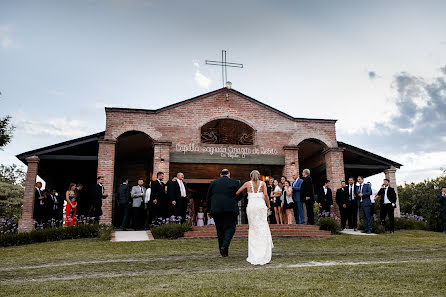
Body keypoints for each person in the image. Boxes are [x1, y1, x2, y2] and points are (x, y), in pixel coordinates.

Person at [236, 170, 273, 265]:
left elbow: (238, 192)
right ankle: (264, 252)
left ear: (250, 176)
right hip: (260, 206)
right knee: (263, 226)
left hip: (251, 207)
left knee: (253, 228)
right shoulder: (263, 183)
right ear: (259, 176)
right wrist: (268, 205)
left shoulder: (247, 184)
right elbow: (265, 195)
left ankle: (254, 253)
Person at [206, 169, 241, 257]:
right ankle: (224, 246)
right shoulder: (235, 182)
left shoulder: (213, 183)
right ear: (229, 174)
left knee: (220, 230)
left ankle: (223, 251)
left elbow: (208, 197)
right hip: (230, 209)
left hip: (216, 209)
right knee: (230, 228)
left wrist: (208, 210)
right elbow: (240, 195)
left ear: (220, 175)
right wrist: (233, 200)